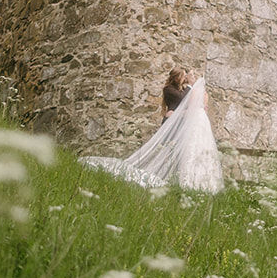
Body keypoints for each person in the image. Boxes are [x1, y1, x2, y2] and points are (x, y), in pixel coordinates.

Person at [85, 67, 224, 193]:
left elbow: (187, 102)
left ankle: (170, 175)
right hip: (169, 122)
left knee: (175, 150)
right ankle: (159, 172)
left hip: (178, 122)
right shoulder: (168, 89)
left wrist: (190, 88)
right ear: (176, 78)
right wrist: (191, 86)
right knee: (165, 148)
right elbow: (182, 100)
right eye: (182, 76)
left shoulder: (182, 89)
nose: (184, 78)